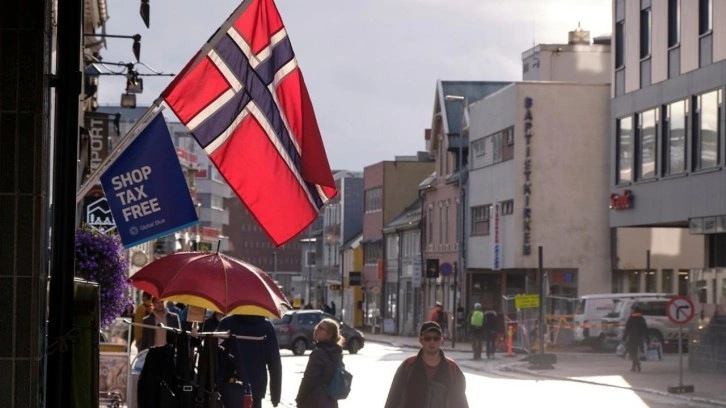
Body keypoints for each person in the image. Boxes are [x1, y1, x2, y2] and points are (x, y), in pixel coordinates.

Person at [384, 321, 468, 408]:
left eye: (436, 338)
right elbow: (393, 400)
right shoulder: (408, 366)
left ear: (441, 340)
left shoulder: (452, 369)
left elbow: (460, 403)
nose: (432, 342)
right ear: (421, 340)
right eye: (428, 338)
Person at [217, 315, 282, 408]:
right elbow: (275, 362)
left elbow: (216, 355)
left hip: (230, 384)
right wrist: (275, 395)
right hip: (256, 386)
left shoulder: (227, 323)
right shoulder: (266, 327)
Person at [296, 318, 345, 408]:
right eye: (317, 327)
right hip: (331, 402)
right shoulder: (337, 352)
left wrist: (299, 399)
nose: (316, 330)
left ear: (329, 334)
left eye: (321, 328)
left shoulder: (318, 353)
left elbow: (309, 380)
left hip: (314, 401)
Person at [622, 303, 648, 372]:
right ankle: (634, 366)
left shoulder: (631, 318)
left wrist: (624, 337)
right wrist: (647, 340)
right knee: (636, 352)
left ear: (634, 310)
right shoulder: (642, 318)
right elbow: (645, 329)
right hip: (640, 338)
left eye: (632, 309)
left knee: (632, 352)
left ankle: (636, 363)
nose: (631, 310)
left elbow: (627, 328)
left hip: (632, 338)